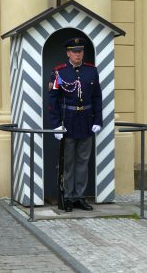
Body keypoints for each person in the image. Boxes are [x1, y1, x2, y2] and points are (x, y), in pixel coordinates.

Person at [48, 37, 102, 212]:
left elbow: (97, 98)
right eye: (74, 51)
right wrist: (56, 124)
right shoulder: (59, 73)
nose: (78, 54)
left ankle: (79, 196)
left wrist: (97, 120)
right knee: (68, 163)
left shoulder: (91, 71)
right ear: (68, 53)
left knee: (83, 162)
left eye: (80, 51)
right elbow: (53, 100)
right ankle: (68, 197)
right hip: (68, 122)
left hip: (86, 121)